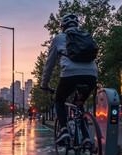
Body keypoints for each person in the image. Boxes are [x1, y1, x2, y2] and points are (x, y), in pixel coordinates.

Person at [41, 13, 98, 144]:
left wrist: (44, 85)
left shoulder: (58, 39)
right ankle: (87, 138)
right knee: (80, 104)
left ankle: (64, 130)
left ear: (62, 27)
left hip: (70, 74)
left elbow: (49, 65)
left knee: (59, 100)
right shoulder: (87, 37)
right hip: (91, 75)